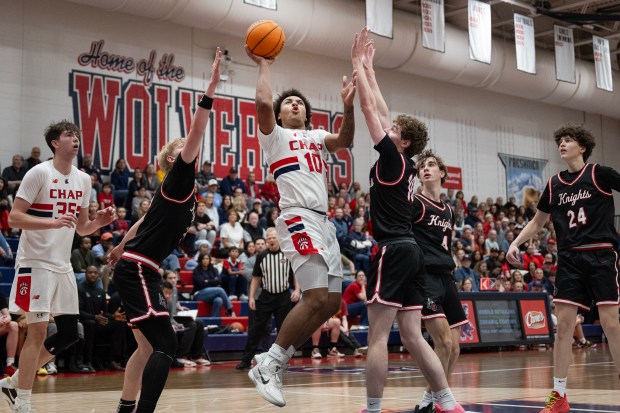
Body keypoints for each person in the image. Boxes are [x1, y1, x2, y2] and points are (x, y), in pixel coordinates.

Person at [352, 28, 464, 413]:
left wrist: (355, 66)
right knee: (414, 337)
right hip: (414, 253)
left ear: (402, 142)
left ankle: (371, 408)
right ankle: (448, 402)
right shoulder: (407, 162)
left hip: (394, 248)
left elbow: (370, 111)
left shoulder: (390, 158)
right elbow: (383, 111)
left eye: (394, 131)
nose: (388, 128)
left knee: (379, 336)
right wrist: (369, 69)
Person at [106, 49, 221, 413]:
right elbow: (197, 128)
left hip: (139, 265)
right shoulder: (178, 177)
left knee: (146, 347)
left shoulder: (171, 192)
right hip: (139, 267)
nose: (192, 150)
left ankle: (126, 407)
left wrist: (120, 245)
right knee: (166, 344)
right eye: (184, 148)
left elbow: (143, 221)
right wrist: (212, 88)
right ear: (175, 158)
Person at [244, 37, 356, 407]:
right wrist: (264, 63)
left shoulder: (315, 136)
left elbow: (345, 139)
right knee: (314, 297)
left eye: (300, 103)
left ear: (307, 114)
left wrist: (347, 106)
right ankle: (269, 363)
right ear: (279, 115)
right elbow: (262, 102)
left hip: (325, 224)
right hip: (297, 217)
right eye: (288, 102)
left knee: (332, 303)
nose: (294, 103)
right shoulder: (275, 136)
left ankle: (275, 361)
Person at [0, 120, 116, 413]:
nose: (75, 139)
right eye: (68, 135)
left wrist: (97, 223)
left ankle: (14, 382)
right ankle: (23, 401)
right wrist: (50, 222)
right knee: (37, 332)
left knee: (69, 333)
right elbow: (14, 218)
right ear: (55, 143)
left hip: (62, 265)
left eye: (77, 135)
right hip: (35, 264)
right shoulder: (39, 173)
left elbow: (81, 228)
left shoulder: (83, 180)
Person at [507, 125, 620, 413]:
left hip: (600, 255)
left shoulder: (600, 174)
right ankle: (559, 395)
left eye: (568, 140)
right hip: (569, 259)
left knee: (610, 324)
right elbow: (538, 221)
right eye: (560, 140)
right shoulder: (554, 184)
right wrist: (516, 243)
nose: (562, 144)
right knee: (564, 328)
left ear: (582, 147)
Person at [411, 150, 468, 412]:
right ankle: (438, 400)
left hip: (447, 277)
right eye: (422, 166)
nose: (426, 168)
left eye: (431, 165)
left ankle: (431, 399)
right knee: (443, 342)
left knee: (454, 348)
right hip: (425, 278)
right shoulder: (415, 203)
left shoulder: (447, 209)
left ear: (442, 173)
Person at [235, 228, 300, 370]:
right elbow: (256, 278)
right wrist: (251, 297)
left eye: (273, 237)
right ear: (266, 240)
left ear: (278, 238)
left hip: (283, 297)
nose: (271, 240)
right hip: (266, 296)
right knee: (256, 329)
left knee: (284, 330)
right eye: (269, 238)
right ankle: (245, 361)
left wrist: (296, 289)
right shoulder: (262, 256)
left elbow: (295, 273)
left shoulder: (287, 254)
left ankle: (282, 361)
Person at [77, 265, 126, 372]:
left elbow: (106, 312)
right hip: (84, 321)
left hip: (98, 321)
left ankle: (113, 360)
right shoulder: (80, 289)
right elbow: (78, 312)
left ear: (99, 275)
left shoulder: (101, 291)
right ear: (86, 274)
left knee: (118, 323)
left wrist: (113, 316)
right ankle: (87, 361)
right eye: (90, 272)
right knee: (91, 324)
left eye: (95, 273)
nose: (93, 274)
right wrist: (95, 317)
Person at [162, 271, 210, 366]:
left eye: (175, 278)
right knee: (191, 325)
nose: (173, 280)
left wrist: (179, 306)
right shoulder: (163, 290)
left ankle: (196, 356)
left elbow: (174, 303)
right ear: (164, 280)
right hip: (168, 319)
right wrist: (172, 324)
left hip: (175, 317)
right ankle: (181, 356)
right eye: (170, 278)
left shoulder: (174, 290)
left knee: (199, 322)